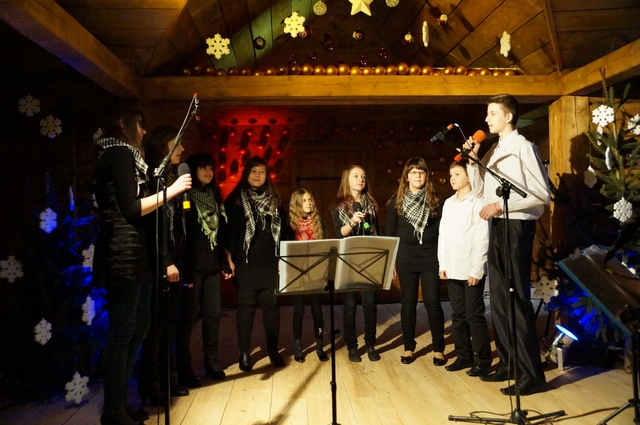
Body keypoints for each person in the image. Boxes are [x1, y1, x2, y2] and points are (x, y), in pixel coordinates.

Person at [93, 107, 191, 425]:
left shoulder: (130, 158)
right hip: (122, 254)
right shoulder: (119, 154)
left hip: (137, 253)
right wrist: (171, 191)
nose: (144, 131)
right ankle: (113, 409)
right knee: (123, 331)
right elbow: (131, 208)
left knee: (141, 326)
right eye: (139, 124)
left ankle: (120, 403)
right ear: (123, 125)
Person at [463, 94, 551, 396]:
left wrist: (500, 206)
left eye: (492, 114)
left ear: (509, 117)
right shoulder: (496, 149)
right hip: (499, 226)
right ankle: (509, 363)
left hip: (516, 226)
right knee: (499, 300)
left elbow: (541, 194)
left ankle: (532, 374)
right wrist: (473, 161)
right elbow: (480, 191)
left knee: (515, 298)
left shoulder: (523, 147)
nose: (487, 119)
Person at [222, 156, 291, 372]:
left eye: (262, 172)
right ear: (246, 174)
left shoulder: (275, 199)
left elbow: (285, 231)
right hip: (246, 264)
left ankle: (273, 350)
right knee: (246, 309)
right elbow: (226, 232)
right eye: (254, 171)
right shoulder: (235, 200)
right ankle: (244, 353)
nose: (258, 175)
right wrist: (228, 259)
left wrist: (283, 258)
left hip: (270, 263)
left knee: (272, 308)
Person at [138, 125, 189, 406]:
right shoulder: (151, 177)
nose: (182, 149)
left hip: (176, 258)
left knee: (170, 324)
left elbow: (178, 224)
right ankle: (151, 384)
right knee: (156, 328)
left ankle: (170, 379)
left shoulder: (173, 176)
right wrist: (167, 261)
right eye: (177, 143)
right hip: (158, 262)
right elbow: (152, 227)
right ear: (163, 145)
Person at [176, 153, 232, 384]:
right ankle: (183, 367)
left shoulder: (214, 196)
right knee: (188, 318)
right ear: (193, 170)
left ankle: (211, 361)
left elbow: (220, 235)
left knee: (213, 315)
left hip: (211, 266)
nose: (208, 172)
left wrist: (223, 262)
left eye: (210, 167)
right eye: (203, 167)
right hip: (192, 267)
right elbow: (183, 237)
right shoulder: (185, 196)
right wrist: (185, 271)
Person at [385, 157, 446, 366]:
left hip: (430, 256)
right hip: (405, 257)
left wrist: (444, 259)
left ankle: (439, 349)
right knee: (408, 303)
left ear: (426, 176)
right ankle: (408, 347)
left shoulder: (436, 199)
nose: (417, 175)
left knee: (432, 302)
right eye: (413, 172)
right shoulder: (396, 200)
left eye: (421, 172)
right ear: (407, 176)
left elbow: (443, 232)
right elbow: (389, 232)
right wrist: (391, 261)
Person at [438, 160, 491, 376]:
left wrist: (477, 269)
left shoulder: (477, 202)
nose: (452, 178)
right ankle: (463, 355)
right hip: (452, 267)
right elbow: (443, 235)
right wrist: (443, 263)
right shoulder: (449, 203)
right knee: (458, 315)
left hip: (470, 268)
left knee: (474, 316)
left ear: (469, 176)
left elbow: (482, 238)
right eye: (451, 175)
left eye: (457, 174)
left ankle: (483, 360)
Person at [331, 164, 381, 362]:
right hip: (348, 260)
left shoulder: (370, 204)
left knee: (370, 304)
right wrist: (352, 222)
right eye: (356, 176)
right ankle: (352, 346)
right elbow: (339, 233)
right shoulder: (338, 206)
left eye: (363, 176)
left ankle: (370, 344)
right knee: (350, 305)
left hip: (369, 258)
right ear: (347, 179)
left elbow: (375, 231)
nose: (361, 179)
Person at [288, 188, 329, 363]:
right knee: (298, 310)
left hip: (316, 272)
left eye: (310, 200)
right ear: (297, 203)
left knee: (317, 310)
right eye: (304, 200)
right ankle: (298, 348)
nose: (309, 203)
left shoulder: (320, 224)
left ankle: (319, 346)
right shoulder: (291, 226)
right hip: (297, 272)